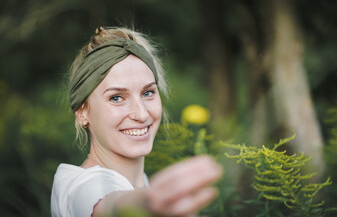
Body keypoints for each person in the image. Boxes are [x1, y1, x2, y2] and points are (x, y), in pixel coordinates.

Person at [51, 26, 222, 217]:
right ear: (82, 112)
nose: (141, 114)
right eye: (116, 97)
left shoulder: (139, 182)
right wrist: (148, 203)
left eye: (147, 93)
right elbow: (114, 206)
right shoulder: (84, 187)